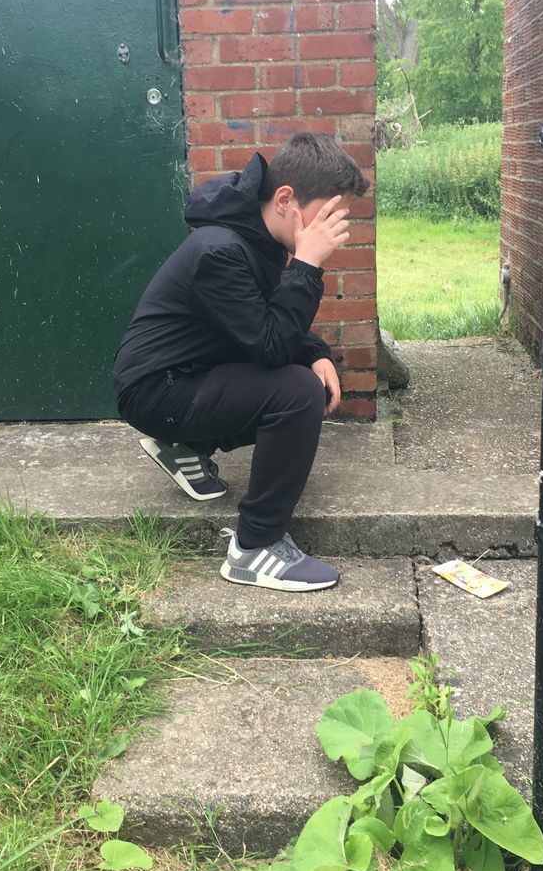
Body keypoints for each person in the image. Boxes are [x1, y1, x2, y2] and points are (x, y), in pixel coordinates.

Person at [112, 132, 367, 592]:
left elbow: (259, 322)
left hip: (189, 374)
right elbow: (268, 345)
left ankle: (185, 446)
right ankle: (255, 546)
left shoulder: (257, 239)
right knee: (296, 394)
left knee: (310, 378)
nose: (334, 231)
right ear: (286, 199)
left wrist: (317, 353)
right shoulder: (221, 250)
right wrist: (306, 266)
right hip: (156, 390)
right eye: (327, 215)